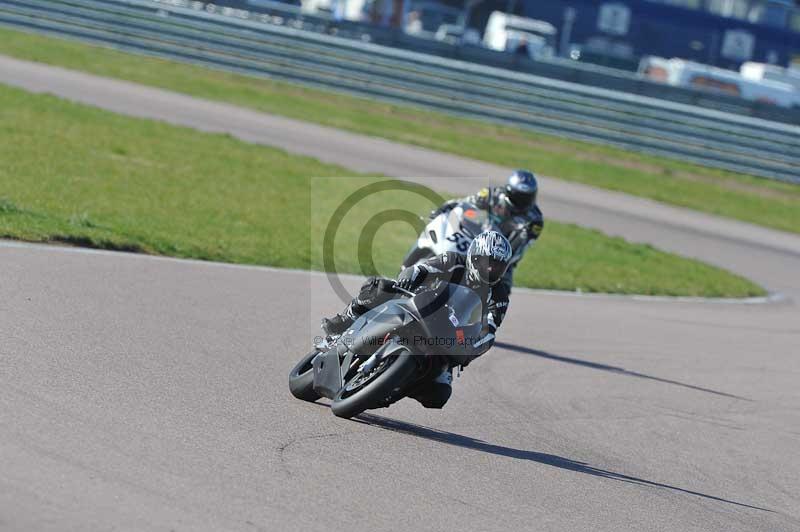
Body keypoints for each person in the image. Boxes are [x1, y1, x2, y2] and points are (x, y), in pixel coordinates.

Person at [322, 231, 513, 409]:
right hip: (420, 306)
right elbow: (424, 268)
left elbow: (489, 328)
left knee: (439, 395)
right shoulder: (454, 260)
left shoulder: (499, 295)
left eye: (498, 266)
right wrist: (411, 275)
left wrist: (474, 346)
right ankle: (346, 320)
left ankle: (389, 388)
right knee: (380, 287)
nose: (490, 269)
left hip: (450, 338)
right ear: (475, 256)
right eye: (488, 262)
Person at [430, 169, 544, 292]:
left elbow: (518, 250)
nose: (522, 201)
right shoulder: (492, 195)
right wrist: (445, 208)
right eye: (519, 196)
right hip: (472, 237)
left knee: (502, 287)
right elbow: (465, 203)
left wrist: (500, 259)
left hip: (502, 253)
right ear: (509, 191)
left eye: (527, 197)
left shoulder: (534, 220)